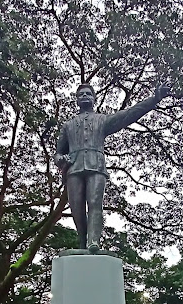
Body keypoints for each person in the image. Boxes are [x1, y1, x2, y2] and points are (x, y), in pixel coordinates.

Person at [54, 83, 171, 251]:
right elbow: (58, 153)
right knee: (76, 209)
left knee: (95, 203)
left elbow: (129, 114)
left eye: (88, 94)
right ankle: (82, 241)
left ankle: (93, 242)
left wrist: (154, 99)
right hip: (74, 168)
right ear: (77, 100)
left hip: (96, 167)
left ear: (94, 98)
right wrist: (60, 159)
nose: (85, 96)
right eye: (81, 95)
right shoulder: (68, 125)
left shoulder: (102, 120)